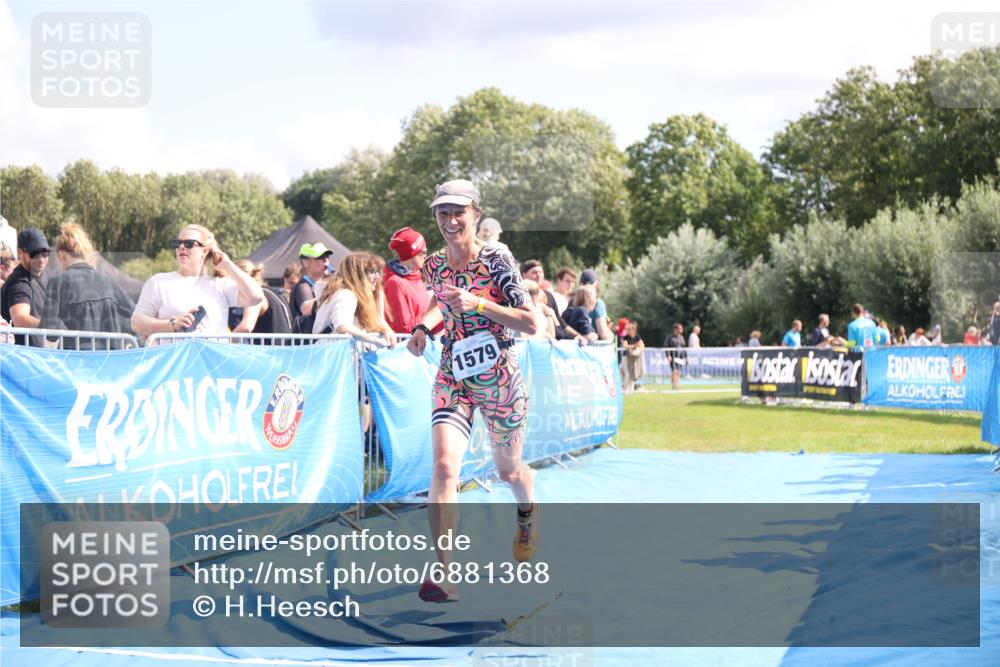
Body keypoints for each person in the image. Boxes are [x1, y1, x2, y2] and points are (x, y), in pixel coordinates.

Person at [406, 179, 538, 602]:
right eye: (442, 213)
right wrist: (425, 325)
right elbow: (442, 302)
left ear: (475, 215)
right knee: (444, 467)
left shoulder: (497, 259)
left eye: (458, 212)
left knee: (509, 472)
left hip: (499, 373)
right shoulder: (433, 266)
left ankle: (526, 515)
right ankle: (445, 572)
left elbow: (531, 322)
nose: (449, 220)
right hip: (453, 373)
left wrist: (478, 304)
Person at [131, 224, 264, 339]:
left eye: (188, 244)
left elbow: (256, 297)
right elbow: (136, 322)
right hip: (173, 363)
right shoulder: (158, 281)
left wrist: (228, 265)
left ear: (204, 251)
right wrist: (172, 325)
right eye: (177, 243)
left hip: (212, 363)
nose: (181, 247)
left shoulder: (220, 284)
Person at [39, 223, 134, 349]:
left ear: (62, 253)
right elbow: (136, 314)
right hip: (110, 360)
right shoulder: (108, 282)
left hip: (75, 360)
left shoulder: (56, 283)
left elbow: (50, 333)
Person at [313, 252, 396, 347]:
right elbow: (342, 326)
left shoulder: (339, 292)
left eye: (378, 272)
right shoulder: (346, 294)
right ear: (357, 274)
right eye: (372, 271)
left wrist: (379, 295)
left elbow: (378, 321)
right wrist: (375, 340)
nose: (377, 276)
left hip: (333, 354)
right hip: (333, 356)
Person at [0, 228, 50, 346]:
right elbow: (19, 318)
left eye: (45, 253)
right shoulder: (19, 283)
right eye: (34, 253)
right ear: (19, 252)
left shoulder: (40, 276)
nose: (41, 259)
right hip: (24, 359)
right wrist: (50, 326)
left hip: (37, 357)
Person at [521, 259, 584, 342]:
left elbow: (560, 322)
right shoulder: (520, 295)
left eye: (541, 272)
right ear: (524, 275)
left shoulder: (549, 295)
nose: (538, 275)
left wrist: (577, 335)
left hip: (552, 340)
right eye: (534, 273)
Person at [384, 227, 431, 334]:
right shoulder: (395, 283)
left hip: (425, 344)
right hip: (407, 347)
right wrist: (439, 319)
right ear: (412, 253)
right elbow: (403, 329)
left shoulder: (417, 278)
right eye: (423, 251)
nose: (425, 255)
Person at [228, 260, 292, 339]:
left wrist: (224, 344)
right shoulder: (271, 293)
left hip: (270, 350)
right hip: (283, 348)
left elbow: (246, 327)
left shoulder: (257, 297)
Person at [289, 242, 333, 321]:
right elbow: (306, 309)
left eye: (327, 257)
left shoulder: (322, 286)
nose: (326, 260)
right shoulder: (302, 286)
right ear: (306, 262)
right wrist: (332, 294)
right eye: (321, 257)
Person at [578, 269, 612, 341]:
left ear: (580, 284)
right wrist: (610, 337)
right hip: (593, 349)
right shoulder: (598, 303)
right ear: (596, 284)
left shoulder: (573, 302)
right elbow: (603, 333)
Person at [620, 320, 645, 392]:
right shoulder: (625, 337)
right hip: (626, 357)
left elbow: (642, 345)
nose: (627, 331)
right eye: (627, 329)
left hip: (633, 358)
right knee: (627, 373)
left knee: (633, 374)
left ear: (633, 330)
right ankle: (625, 388)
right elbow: (625, 346)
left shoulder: (637, 337)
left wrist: (633, 346)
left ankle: (631, 390)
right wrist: (634, 345)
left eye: (629, 329)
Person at [663, 322, 686, 390]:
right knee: (674, 371)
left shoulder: (681, 337)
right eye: (680, 328)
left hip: (680, 357)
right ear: (675, 329)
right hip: (673, 356)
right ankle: (673, 386)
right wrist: (668, 355)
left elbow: (684, 347)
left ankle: (677, 385)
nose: (681, 330)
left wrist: (686, 356)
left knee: (678, 371)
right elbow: (666, 346)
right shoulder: (669, 337)